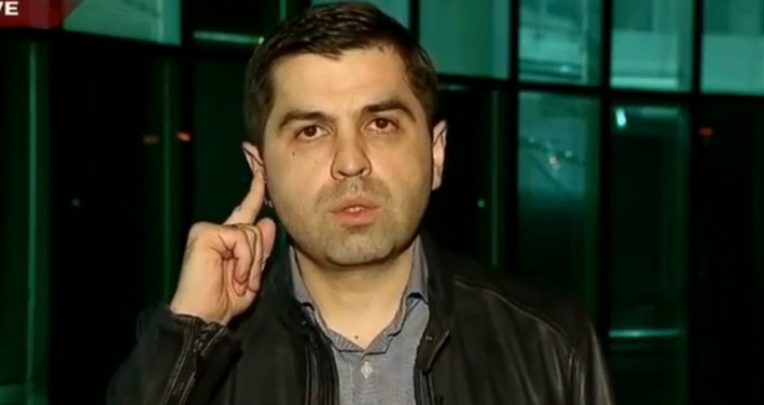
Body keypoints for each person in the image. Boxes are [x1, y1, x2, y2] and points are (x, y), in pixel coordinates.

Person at [106, 2, 615, 404]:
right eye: (311, 130)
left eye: (381, 124)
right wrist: (189, 340)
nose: (351, 162)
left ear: (436, 154)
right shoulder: (199, 356)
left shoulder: (550, 344)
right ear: (261, 171)